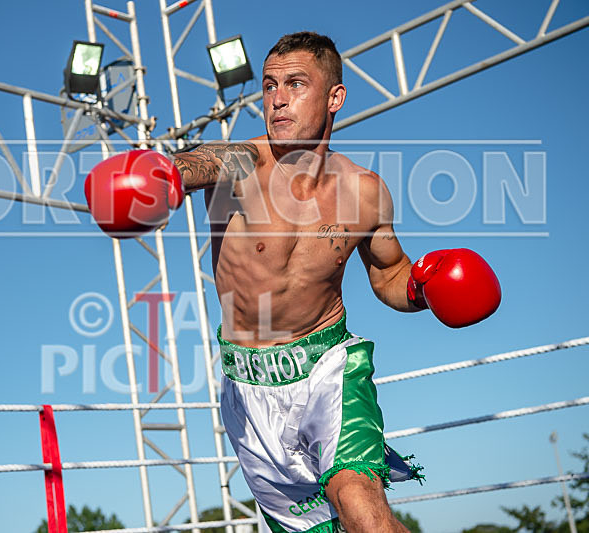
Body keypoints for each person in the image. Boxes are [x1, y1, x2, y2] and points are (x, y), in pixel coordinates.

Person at [85, 31, 500, 532]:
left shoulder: (364, 191)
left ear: (334, 98)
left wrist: (423, 288)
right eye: (269, 85)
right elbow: (197, 162)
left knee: (359, 500)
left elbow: (389, 272)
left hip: (329, 367)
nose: (277, 98)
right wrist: (162, 174)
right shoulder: (241, 162)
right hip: (249, 387)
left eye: (296, 84)